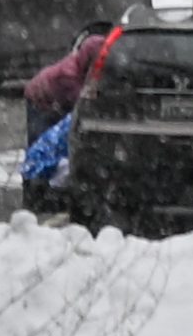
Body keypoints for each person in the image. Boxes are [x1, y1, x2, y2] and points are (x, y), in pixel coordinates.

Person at [16, 16, 126, 207]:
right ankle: (33, 193)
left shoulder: (80, 66)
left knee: (54, 145)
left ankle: (46, 190)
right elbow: (80, 107)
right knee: (41, 145)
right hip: (38, 100)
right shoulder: (70, 76)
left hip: (54, 100)